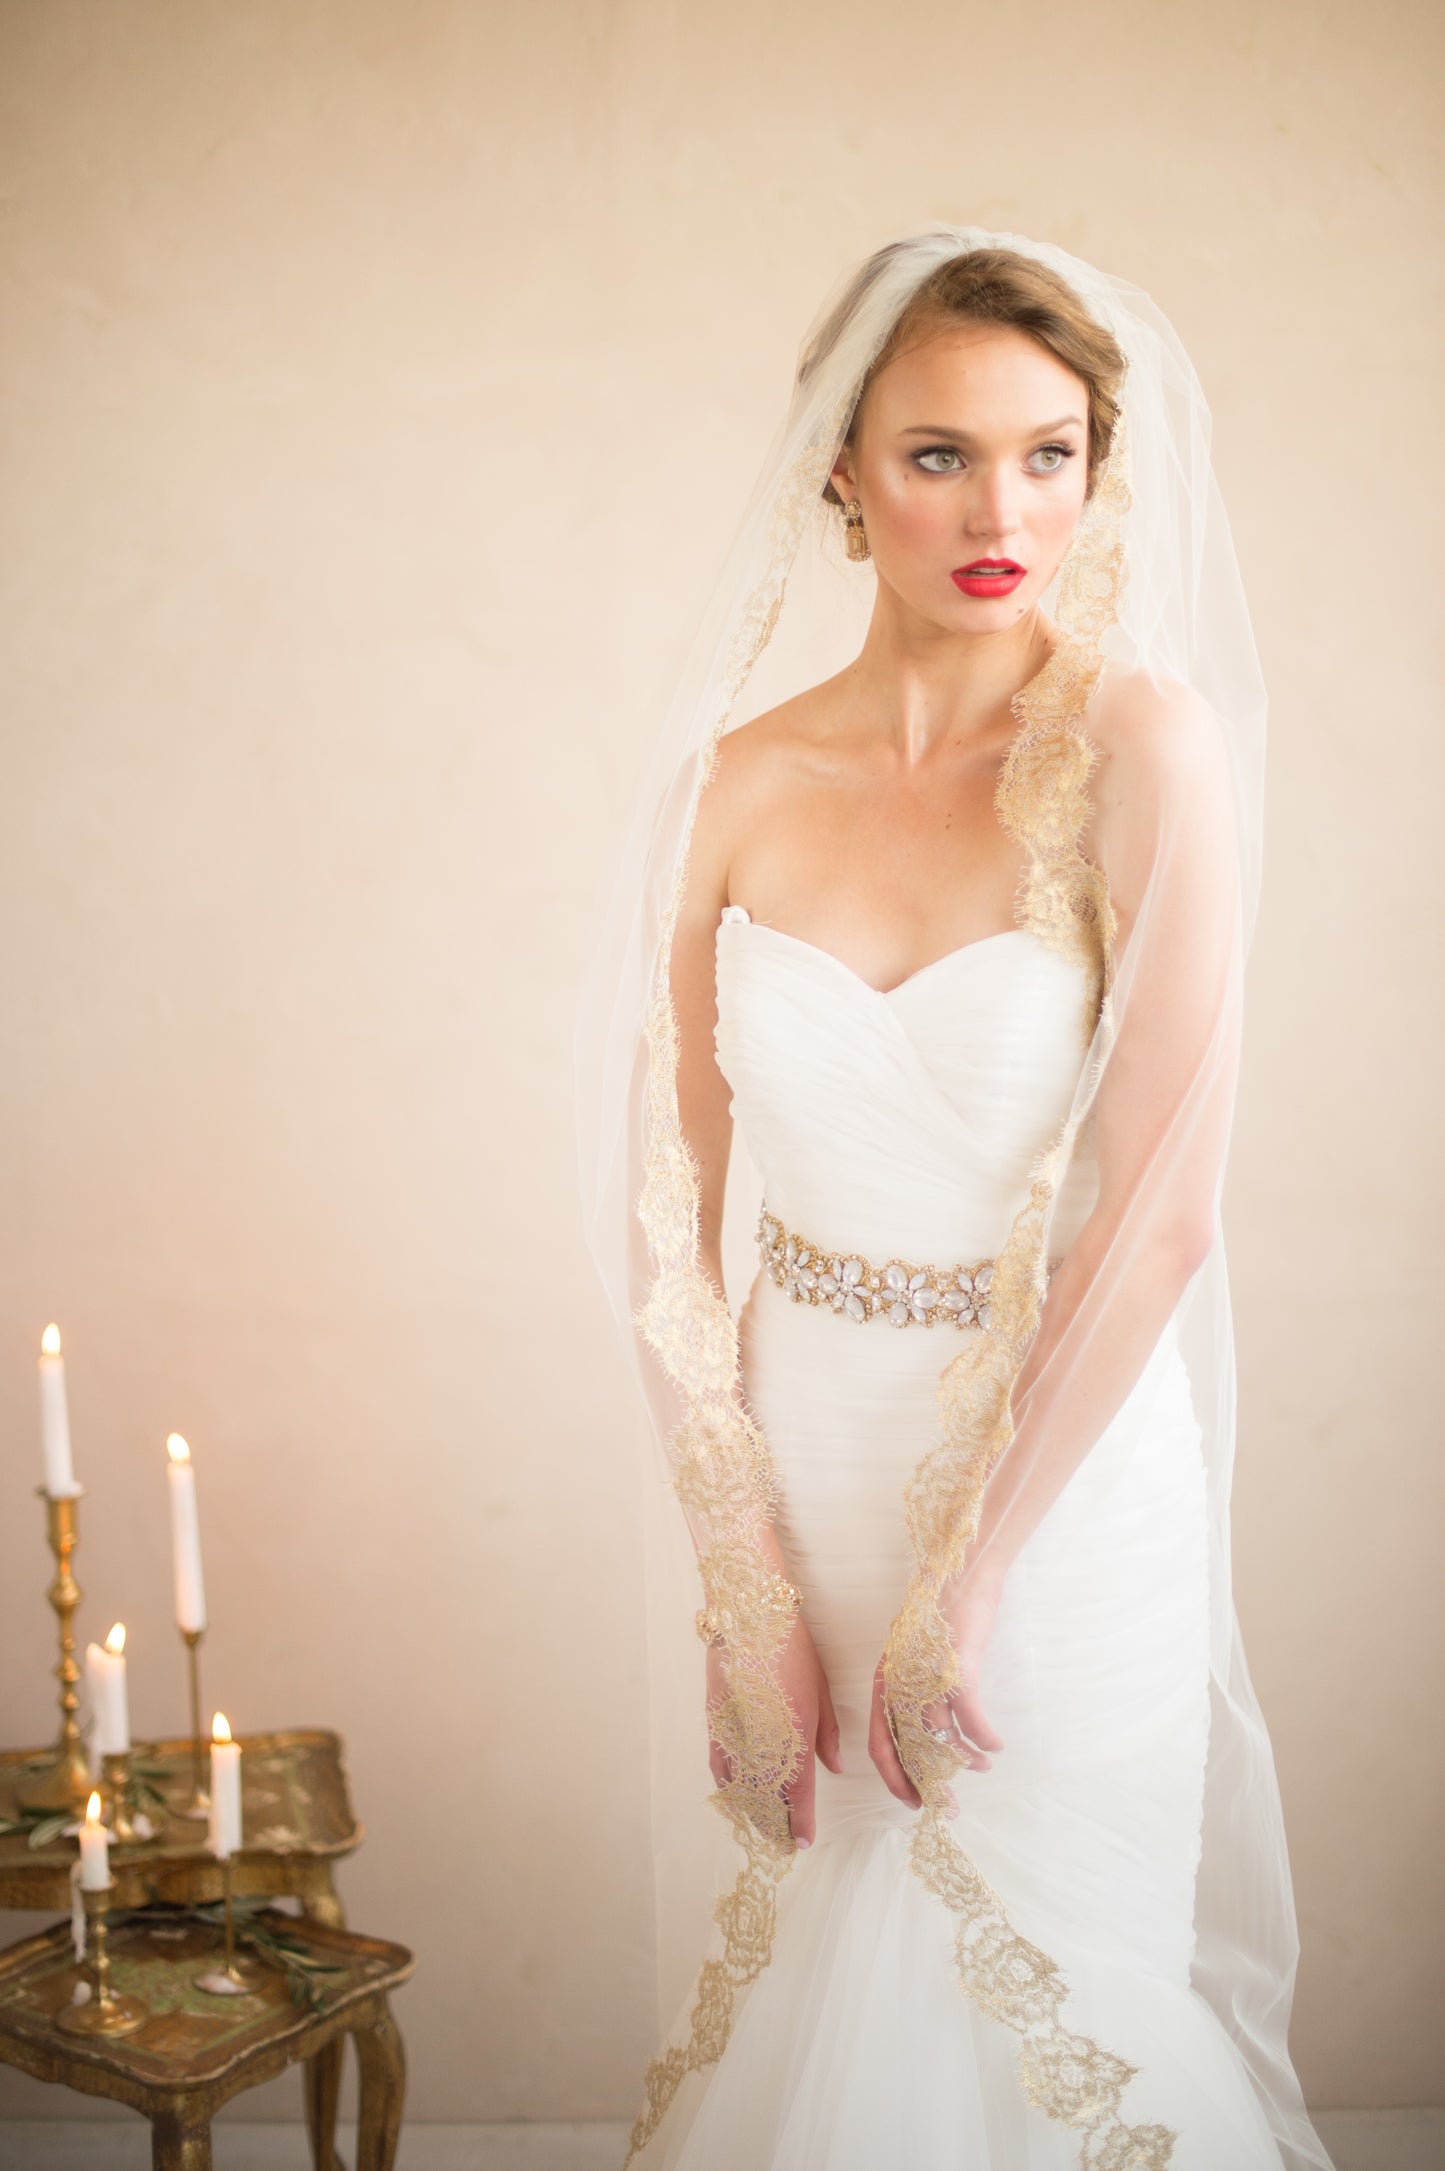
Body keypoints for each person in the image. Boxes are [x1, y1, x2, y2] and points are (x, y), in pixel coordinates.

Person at [577, 229, 1336, 2171]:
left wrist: (973, 1570)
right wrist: (744, 1585)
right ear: (840, 468)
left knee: (1055, 1989)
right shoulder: (730, 786)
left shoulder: (1142, 748)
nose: (1004, 514)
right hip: (809, 1456)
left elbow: (1161, 1212)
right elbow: (667, 1215)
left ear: (1097, 467)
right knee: (831, 1990)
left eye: (1048, 455)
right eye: (939, 456)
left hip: (1061, 1489)